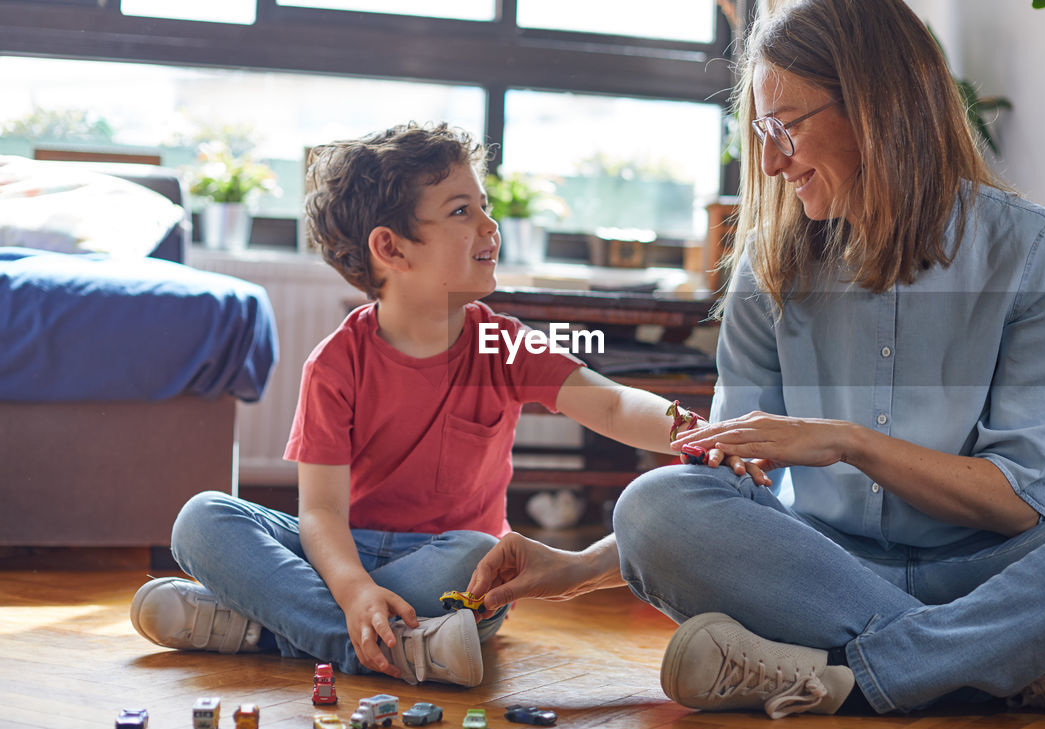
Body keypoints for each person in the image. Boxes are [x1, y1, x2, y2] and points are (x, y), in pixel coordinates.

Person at [467, 0, 1045, 718]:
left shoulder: (1033, 250)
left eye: (785, 128)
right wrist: (579, 567)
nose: (771, 162)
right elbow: (723, 480)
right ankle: (1027, 663)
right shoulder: (768, 263)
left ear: (877, 107)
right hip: (819, 571)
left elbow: (1017, 498)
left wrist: (845, 442)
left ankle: (847, 673)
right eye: (760, 133)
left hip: (997, 569)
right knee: (652, 505)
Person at [128, 122, 747, 686]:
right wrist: (352, 590)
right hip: (343, 551)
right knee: (202, 518)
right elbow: (318, 515)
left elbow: (611, 407)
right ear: (391, 249)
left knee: (481, 557)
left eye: (485, 206)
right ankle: (378, 641)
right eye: (461, 210)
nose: (489, 226)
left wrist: (697, 434)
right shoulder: (336, 363)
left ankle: (262, 625)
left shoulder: (501, 343)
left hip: (443, 564)